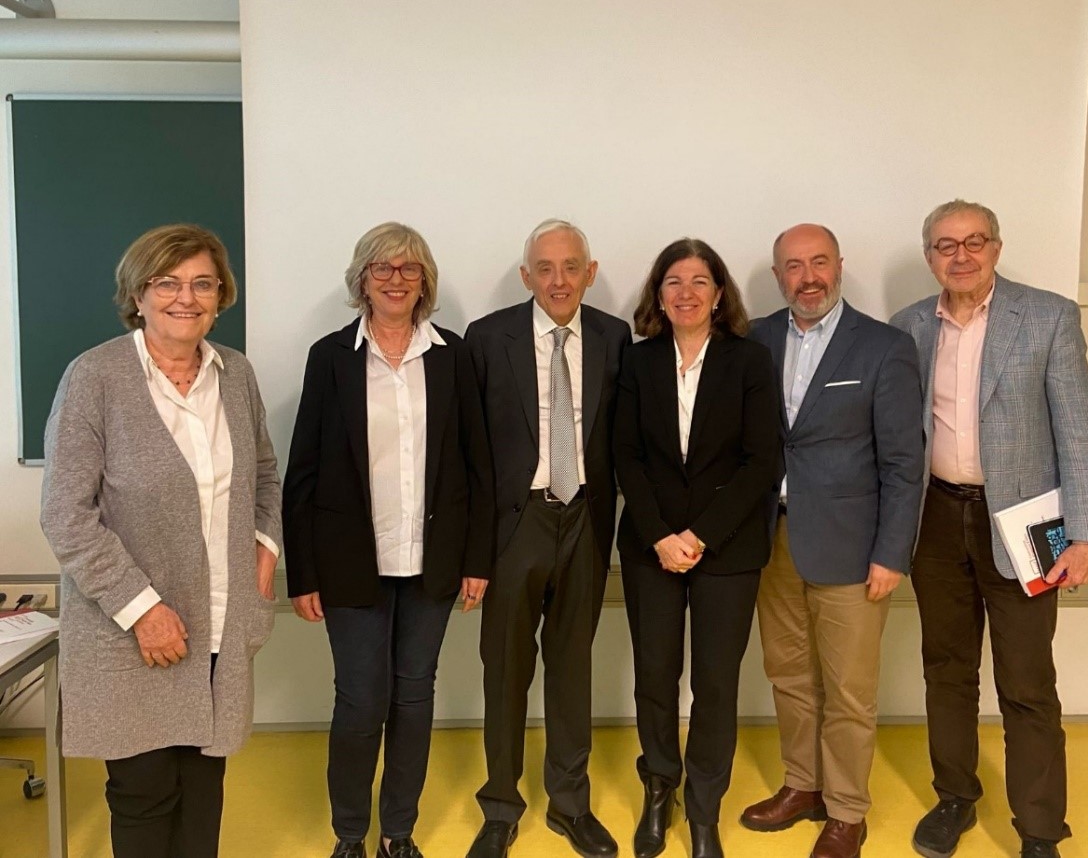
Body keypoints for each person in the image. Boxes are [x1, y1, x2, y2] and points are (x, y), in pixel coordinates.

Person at [40, 223, 281, 858]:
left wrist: (264, 553)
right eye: (167, 283)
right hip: (128, 634)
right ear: (138, 295)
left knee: (203, 795)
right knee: (145, 796)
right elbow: (66, 514)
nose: (186, 298)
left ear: (221, 295)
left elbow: (265, 475)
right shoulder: (94, 377)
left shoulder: (236, 375)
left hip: (220, 625)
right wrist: (142, 610)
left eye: (203, 283)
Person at [890, 200, 1088, 858]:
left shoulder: (1048, 317)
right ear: (929, 256)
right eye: (945, 245)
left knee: (1027, 682)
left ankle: (1039, 829)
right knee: (946, 670)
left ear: (995, 247)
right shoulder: (907, 328)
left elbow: (1078, 435)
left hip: (1022, 525)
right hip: (934, 520)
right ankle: (955, 796)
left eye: (974, 241)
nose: (960, 255)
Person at [282, 222, 493, 858]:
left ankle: (398, 833)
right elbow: (303, 469)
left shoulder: (453, 355)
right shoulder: (330, 357)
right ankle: (350, 834)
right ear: (363, 279)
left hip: (434, 563)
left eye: (408, 268)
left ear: (424, 280)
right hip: (351, 564)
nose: (396, 279)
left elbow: (478, 467)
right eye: (382, 267)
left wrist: (477, 560)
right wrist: (303, 572)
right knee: (359, 700)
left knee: (414, 696)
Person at [744, 224, 923, 858]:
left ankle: (847, 810)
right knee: (789, 675)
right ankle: (804, 785)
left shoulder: (884, 347)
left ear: (839, 266)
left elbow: (904, 462)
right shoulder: (754, 339)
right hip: (772, 541)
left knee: (849, 689)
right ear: (778, 276)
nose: (808, 277)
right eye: (794, 266)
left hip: (853, 547)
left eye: (819, 262)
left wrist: (891, 553)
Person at [464, 219, 631, 858]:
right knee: (506, 669)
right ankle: (500, 808)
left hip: (586, 518)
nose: (558, 280)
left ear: (590, 272)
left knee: (572, 666)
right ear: (525, 275)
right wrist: (474, 550)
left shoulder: (616, 337)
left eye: (570, 267)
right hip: (516, 524)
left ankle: (570, 803)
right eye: (545, 267)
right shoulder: (488, 339)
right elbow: (470, 451)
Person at [614, 238, 781, 858]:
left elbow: (760, 461)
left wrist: (700, 535)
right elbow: (625, 455)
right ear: (658, 296)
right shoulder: (638, 362)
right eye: (673, 282)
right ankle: (660, 787)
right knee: (655, 676)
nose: (686, 293)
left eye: (699, 282)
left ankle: (704, 806)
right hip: (651, 546)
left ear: (718, 295)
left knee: (715, 683)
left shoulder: (749, 360)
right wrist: (660, 534)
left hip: (727, 549)